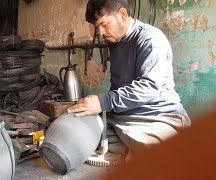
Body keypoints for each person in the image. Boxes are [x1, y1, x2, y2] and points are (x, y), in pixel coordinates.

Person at [67, 0, 191, 158]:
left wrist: (103, 102)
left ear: (123, 14)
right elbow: (117, 84)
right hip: (122, 117)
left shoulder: (150, 39)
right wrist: (100, 108)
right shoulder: (115, 41)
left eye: (104, 24)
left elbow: (148, 87)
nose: (101, 33)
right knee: (81, 139)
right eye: (97, 28)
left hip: (157, 118)